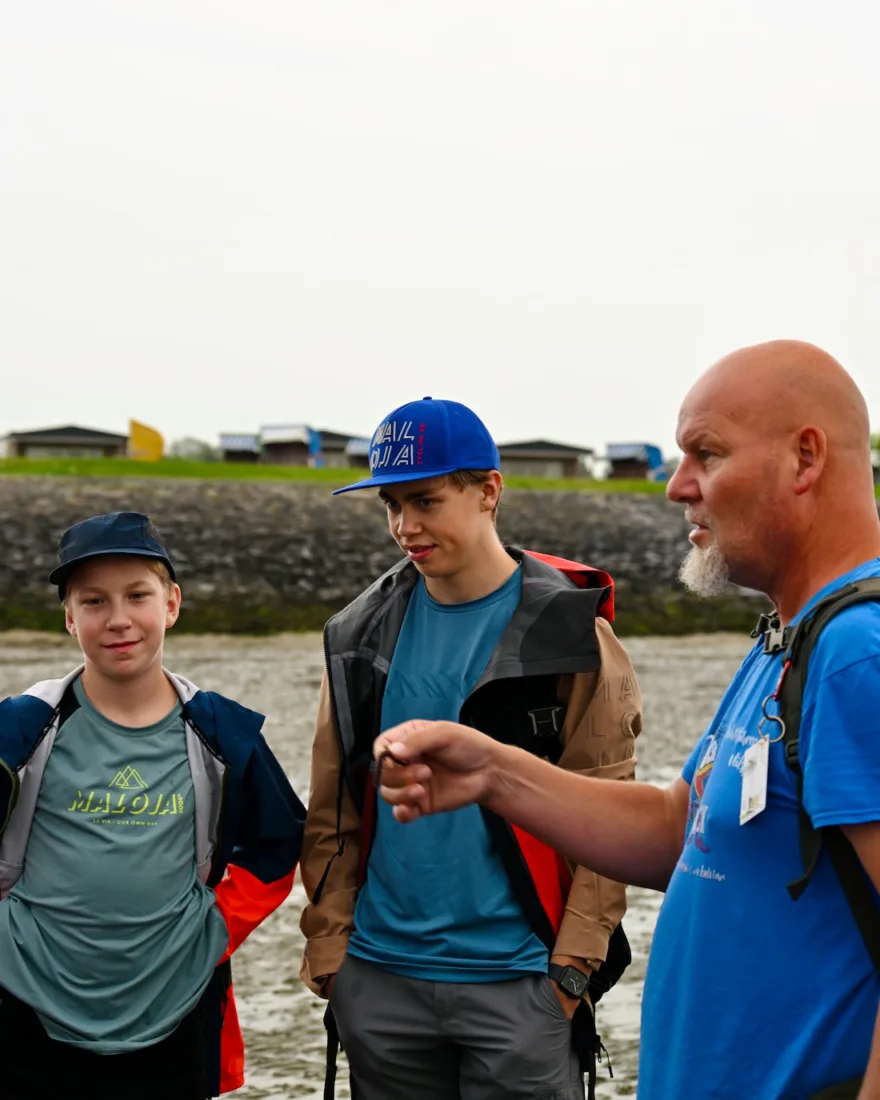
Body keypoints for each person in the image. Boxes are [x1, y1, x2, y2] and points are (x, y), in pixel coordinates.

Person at [375, 342, 880, 1100]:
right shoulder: (792, 638)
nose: (678, 486)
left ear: (804, 458)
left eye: (705, 454)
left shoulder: (854, 654)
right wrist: (493, 772)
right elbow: (683, 826)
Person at [299, 397, 642, 1100]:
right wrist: (331, 945)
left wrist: (572, 968)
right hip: (380, 979)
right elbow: (331, 805)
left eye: (425, 500)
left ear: (488, 490)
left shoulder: (570, 632)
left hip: (521, 984)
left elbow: (614, 807)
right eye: (390, 505)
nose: (404, 526)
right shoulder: (357, 634)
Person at [0, 511, 306, 1100]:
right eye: (93, 602)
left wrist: (214, 928)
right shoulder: (21, 728)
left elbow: (278, 841)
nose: (118, 619)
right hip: (28, 1008)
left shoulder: (221, 732)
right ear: (69, 618)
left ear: (171, 604)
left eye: (137, 595)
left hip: (174, 1007)